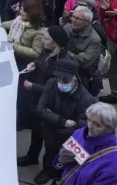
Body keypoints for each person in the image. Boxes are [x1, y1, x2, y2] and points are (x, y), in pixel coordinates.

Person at [33, 57, 96, 184]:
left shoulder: (86, 99)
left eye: (65, 79)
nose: (61, 82)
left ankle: (61, 175)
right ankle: (47, 170)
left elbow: (81, 126)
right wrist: (63, 121)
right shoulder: (51, 84)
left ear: (75, 78)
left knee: (65, 158)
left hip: (68, 138)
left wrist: (51, 118)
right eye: (59, 78)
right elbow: (40, 109)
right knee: (49, 150)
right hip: (50, 130)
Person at [17, 26, 70, 168]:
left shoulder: (63, 62)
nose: (43, 40)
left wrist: (34, 87)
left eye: (47, 39)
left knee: (50, 141)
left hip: (52, 105)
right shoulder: (47, 50)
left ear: (56, 43)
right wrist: (33, 64)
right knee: (36, 131)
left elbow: (57, 87)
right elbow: (40, 61)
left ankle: (48, 168)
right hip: (38, 101)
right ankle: (32, 156)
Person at [54, 103, 117, 185]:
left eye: (97, 125)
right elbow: (61, 162)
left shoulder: (115, 165)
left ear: (109, 129)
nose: (90, 126)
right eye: (89, 120)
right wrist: (60, 161)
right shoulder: (79, 133)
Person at [2, 0, 46, 70]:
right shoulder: (18, 21)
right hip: (13, 57)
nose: (20, 12)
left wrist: (15, 46)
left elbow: (36, 53)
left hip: (24, 63)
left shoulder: (39, 32)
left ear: (30, 13)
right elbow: (6, 24)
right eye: (21, 9)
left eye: (23, 10)